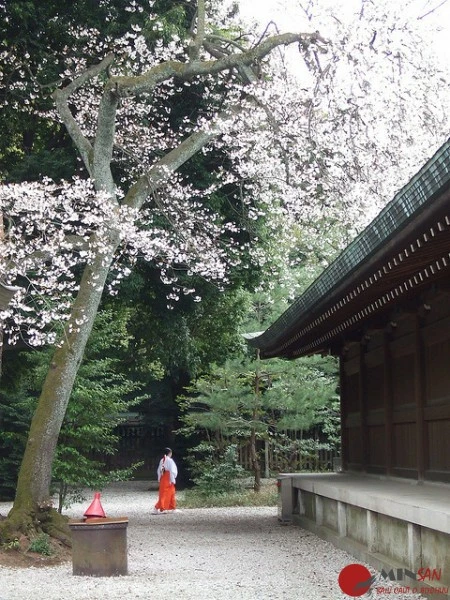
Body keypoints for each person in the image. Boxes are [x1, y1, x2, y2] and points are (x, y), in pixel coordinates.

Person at [153, 447, 178, 514]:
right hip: (168, 478)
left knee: (170, 492)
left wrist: (159, 478)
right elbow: (173, 471)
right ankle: (158, 507)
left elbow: (159, 470)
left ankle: (173, 507)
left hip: (163, 477)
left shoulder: (162, 460)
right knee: (165, 494)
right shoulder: (170, 460)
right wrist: (173, 479)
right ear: (170, 453)